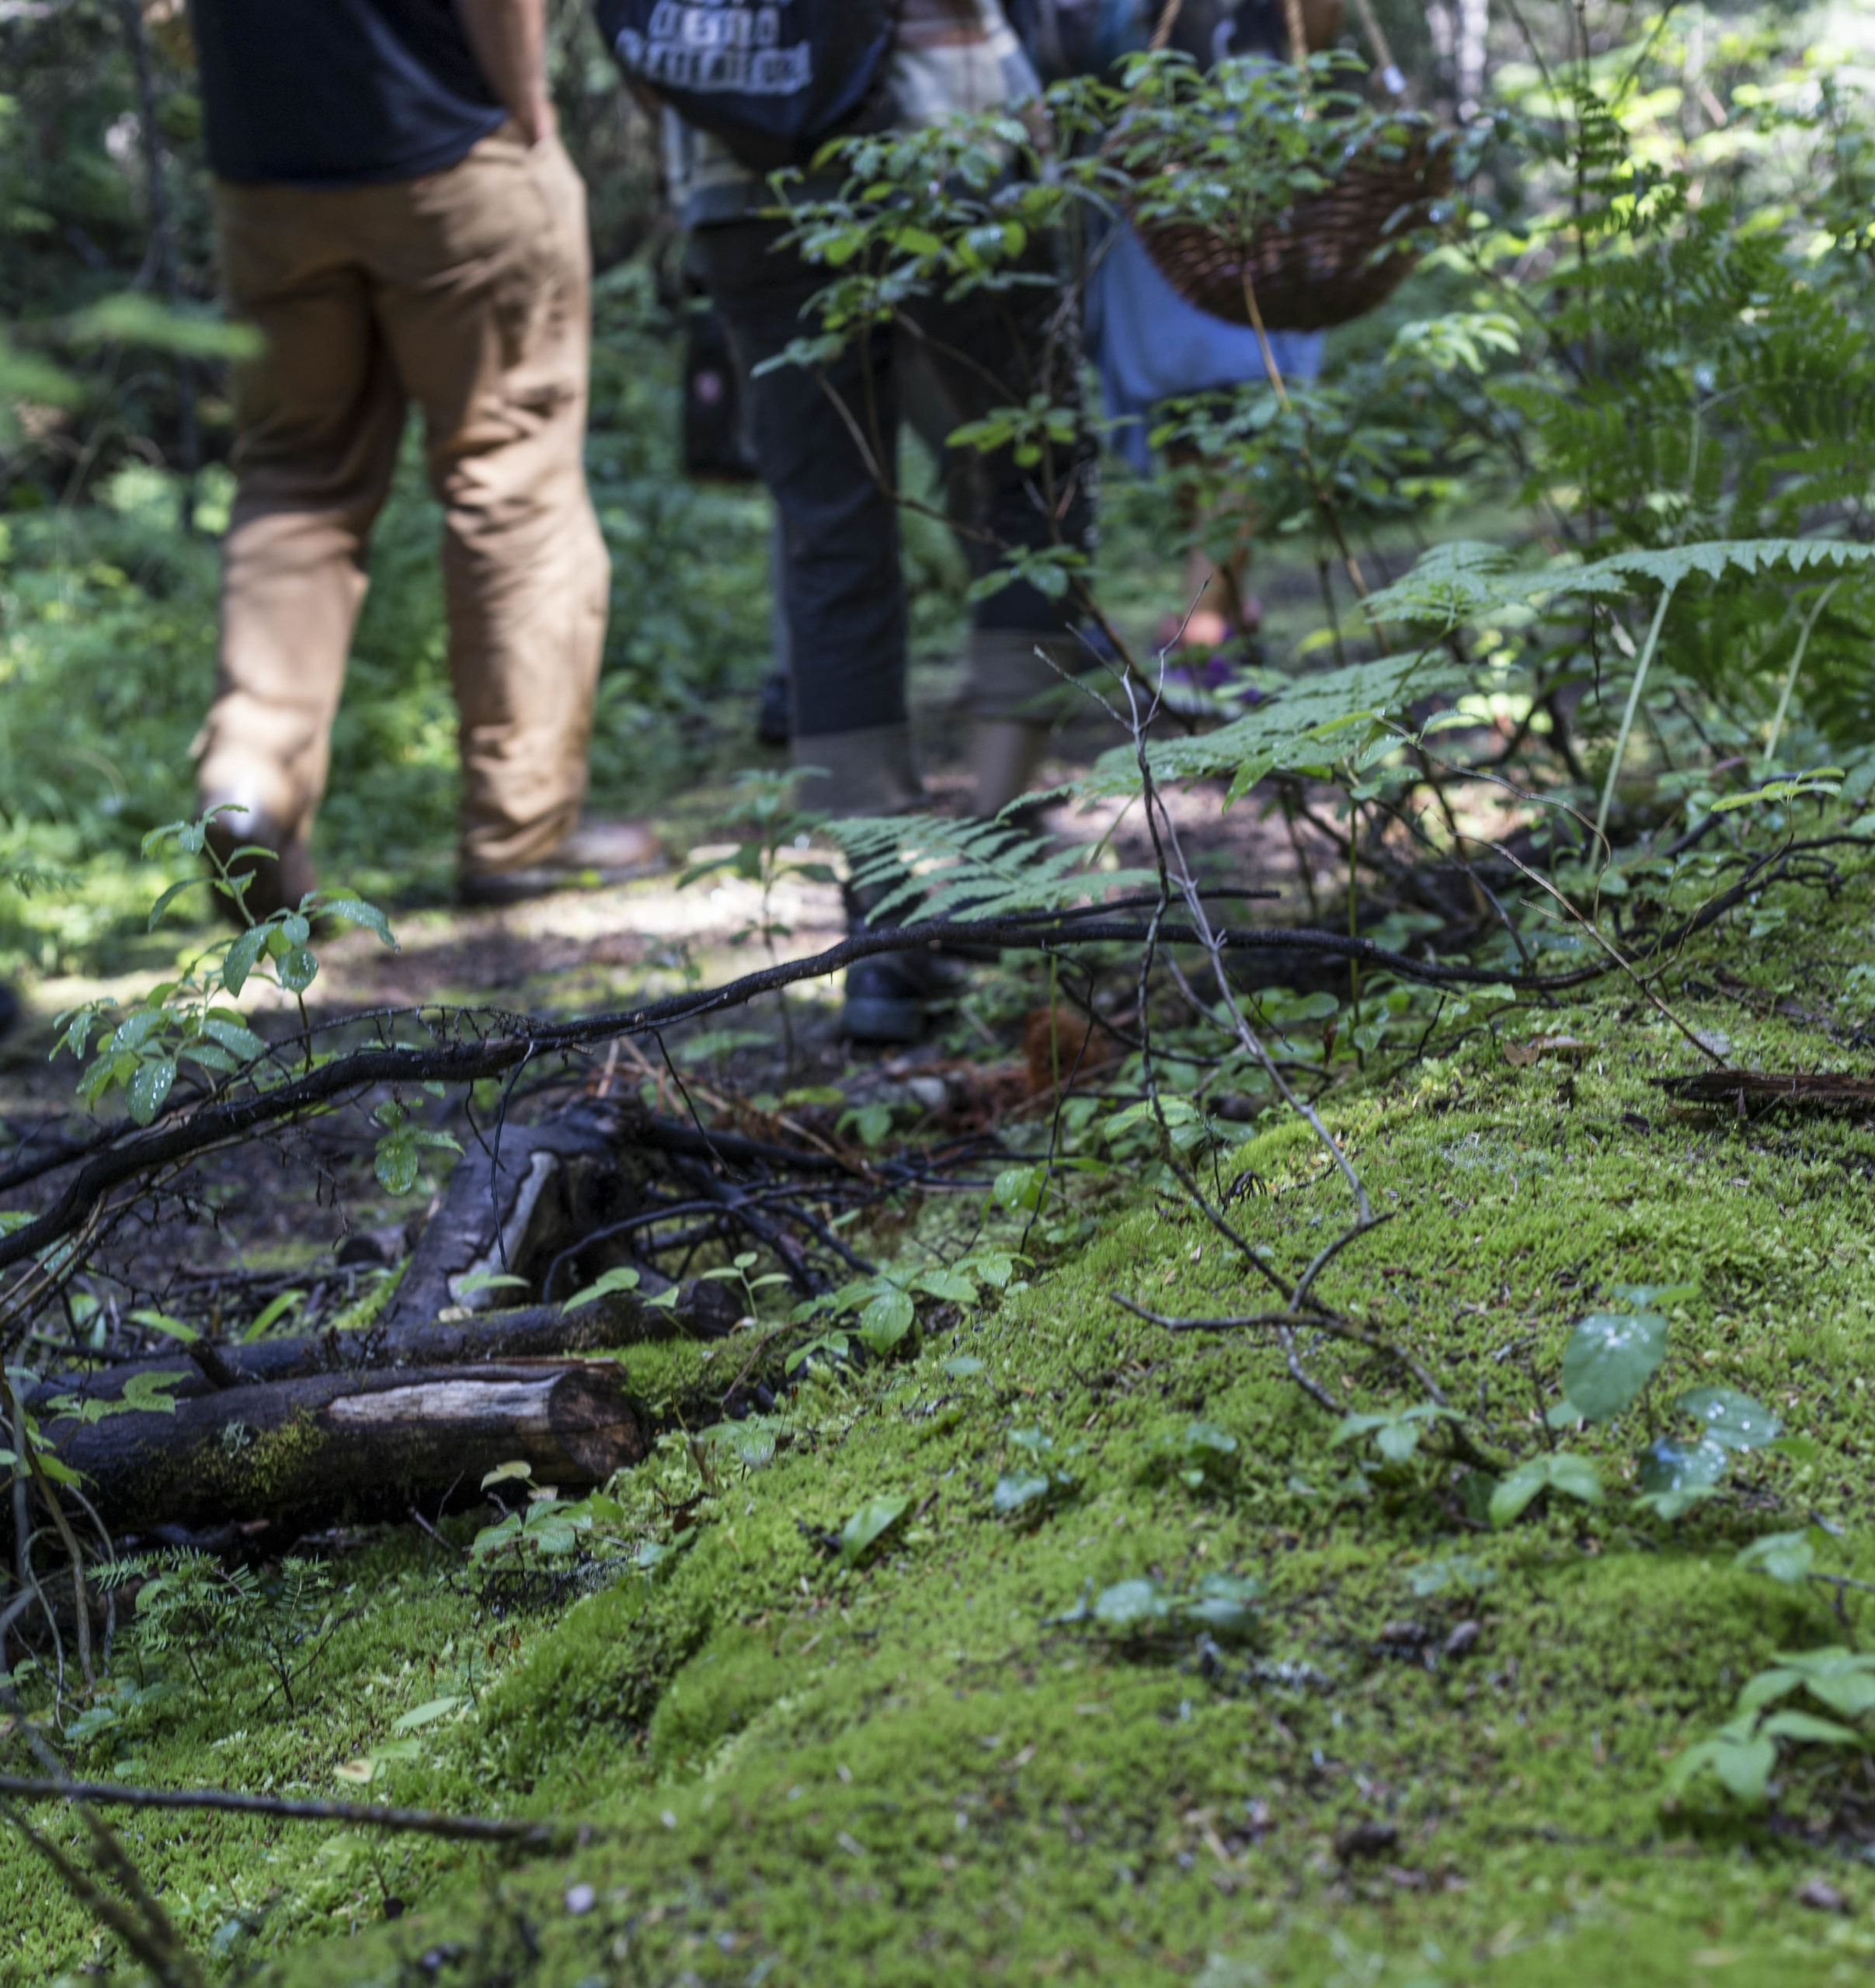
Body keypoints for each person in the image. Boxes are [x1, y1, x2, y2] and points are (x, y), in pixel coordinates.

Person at [660, 0, 1095, 1041]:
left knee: (828, 538)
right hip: (953, 135)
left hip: (740, 177)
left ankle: (887, 927)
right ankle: (991, 862)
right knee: (1034, 476)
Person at [186, 0, 657, 915]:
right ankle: (518, 832)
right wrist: (529, 110)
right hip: (451, 139)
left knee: (294, 479)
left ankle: (244, 787)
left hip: (263, 168)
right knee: (512, 479)